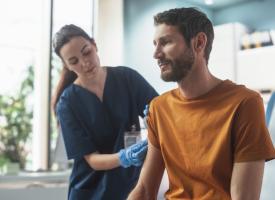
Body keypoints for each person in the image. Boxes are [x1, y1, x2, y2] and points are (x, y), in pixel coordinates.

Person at [128, 7, 275, 200]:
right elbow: (145, 190)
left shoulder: (244, 103)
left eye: (165, 42)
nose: (156, 54)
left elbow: (244, 197)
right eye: (155, 44)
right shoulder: (159, 108)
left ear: (199, 43)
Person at [52, 24, 158, 200]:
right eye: (74, 61)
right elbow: (92, 160)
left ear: (94, 45)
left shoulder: (127, 78)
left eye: (86, 52)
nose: (84, 63)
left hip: (130, 188)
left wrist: (157, 118)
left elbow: (163, 113)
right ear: (67, 66)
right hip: (90, 192)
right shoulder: (67, 103)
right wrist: (125, 157)